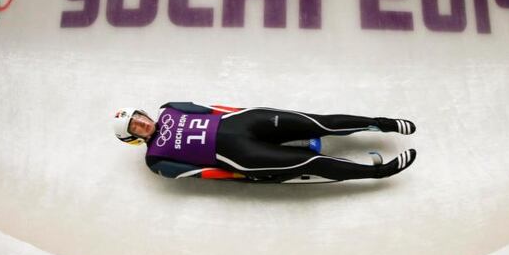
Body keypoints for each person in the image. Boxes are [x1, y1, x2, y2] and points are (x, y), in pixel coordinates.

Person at [113, 102, 417, 183]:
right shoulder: (155, 160)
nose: (141, 122)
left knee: (318, 122)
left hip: (247, 120)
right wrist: (243, 175)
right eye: (135, 126)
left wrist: (249, 111)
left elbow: (214, 109)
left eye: (138, 116)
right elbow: (201, 173)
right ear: (133, 138)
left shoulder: (170, 107)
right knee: (310, 163)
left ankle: (383, 124)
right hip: (241, 155)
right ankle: (379, 171)